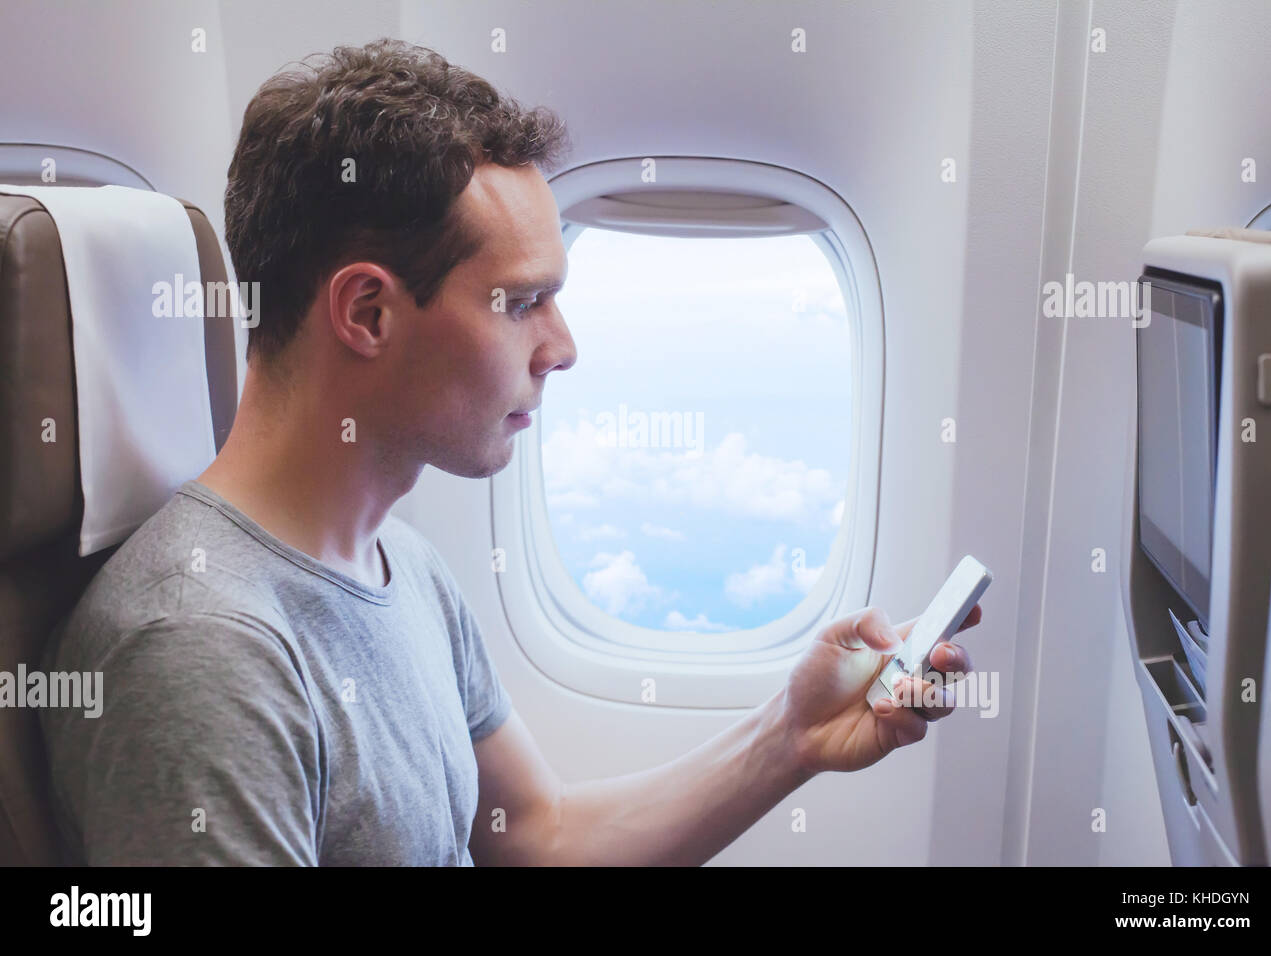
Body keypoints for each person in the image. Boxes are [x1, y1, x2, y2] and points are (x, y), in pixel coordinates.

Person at [41, 37, 980, 866]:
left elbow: (538, 837)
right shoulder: (203, 657)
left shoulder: (394, 563)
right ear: (366, 312)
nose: (562, 347)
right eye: (524, 301)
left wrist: (792, 735)